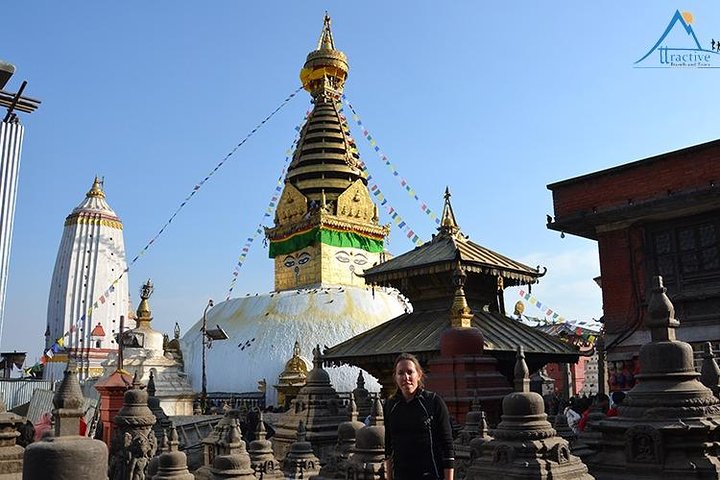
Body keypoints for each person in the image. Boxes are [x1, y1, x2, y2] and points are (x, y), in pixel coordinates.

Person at [384, 353, 454, 480]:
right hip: (401, 474)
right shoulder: (390, 405)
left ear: (419, 374)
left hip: (430, 473)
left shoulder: (433, 402)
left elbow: (447, 445)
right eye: (401, 373)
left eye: (410, 372)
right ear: (395, 377)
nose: (406, 377)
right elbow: (388, 446)